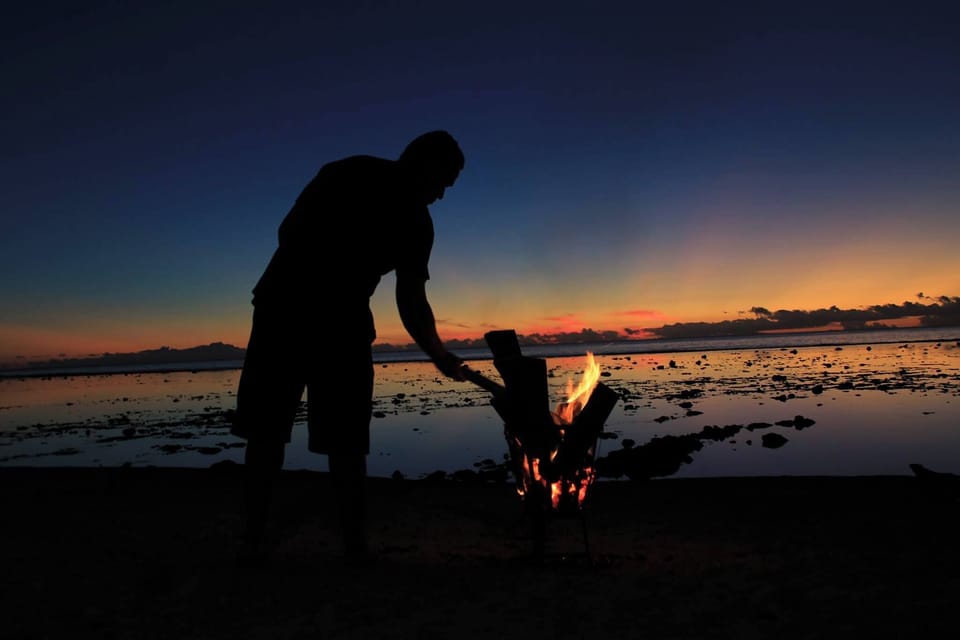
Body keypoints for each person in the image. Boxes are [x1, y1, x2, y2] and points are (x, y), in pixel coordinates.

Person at [231, 130, 468, 562]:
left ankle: (349, 543)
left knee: (345, 439)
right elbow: (291, 233)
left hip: (340, 323)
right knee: (269, 431)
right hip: (286, 311)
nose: (441, 195)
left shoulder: (417, 221)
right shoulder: (350, 173)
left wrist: (438, 352)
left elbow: (412, 300)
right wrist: (335, 277)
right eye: (443, 183)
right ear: (425, 164)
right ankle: (255, 538)